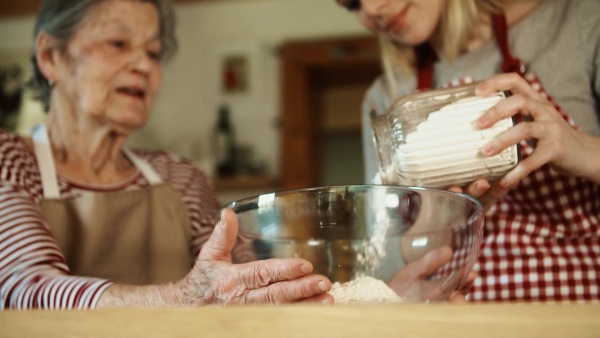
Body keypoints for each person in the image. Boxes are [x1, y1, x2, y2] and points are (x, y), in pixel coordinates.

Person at [0, 0, 337, 309]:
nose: (143, 65)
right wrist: (182, 297)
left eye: (153, 53)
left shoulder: (178, 176)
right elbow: (26, 288)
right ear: (50, 57)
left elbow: (230, 283)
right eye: (118, 43)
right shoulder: (10, 159)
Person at [337, 0, 600, 301]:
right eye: (351, 4)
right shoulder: (386, 96)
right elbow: (389, 263)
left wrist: (585, 151)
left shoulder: (578, 22)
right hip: (463, 316)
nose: (371, 9)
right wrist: (438, 217)